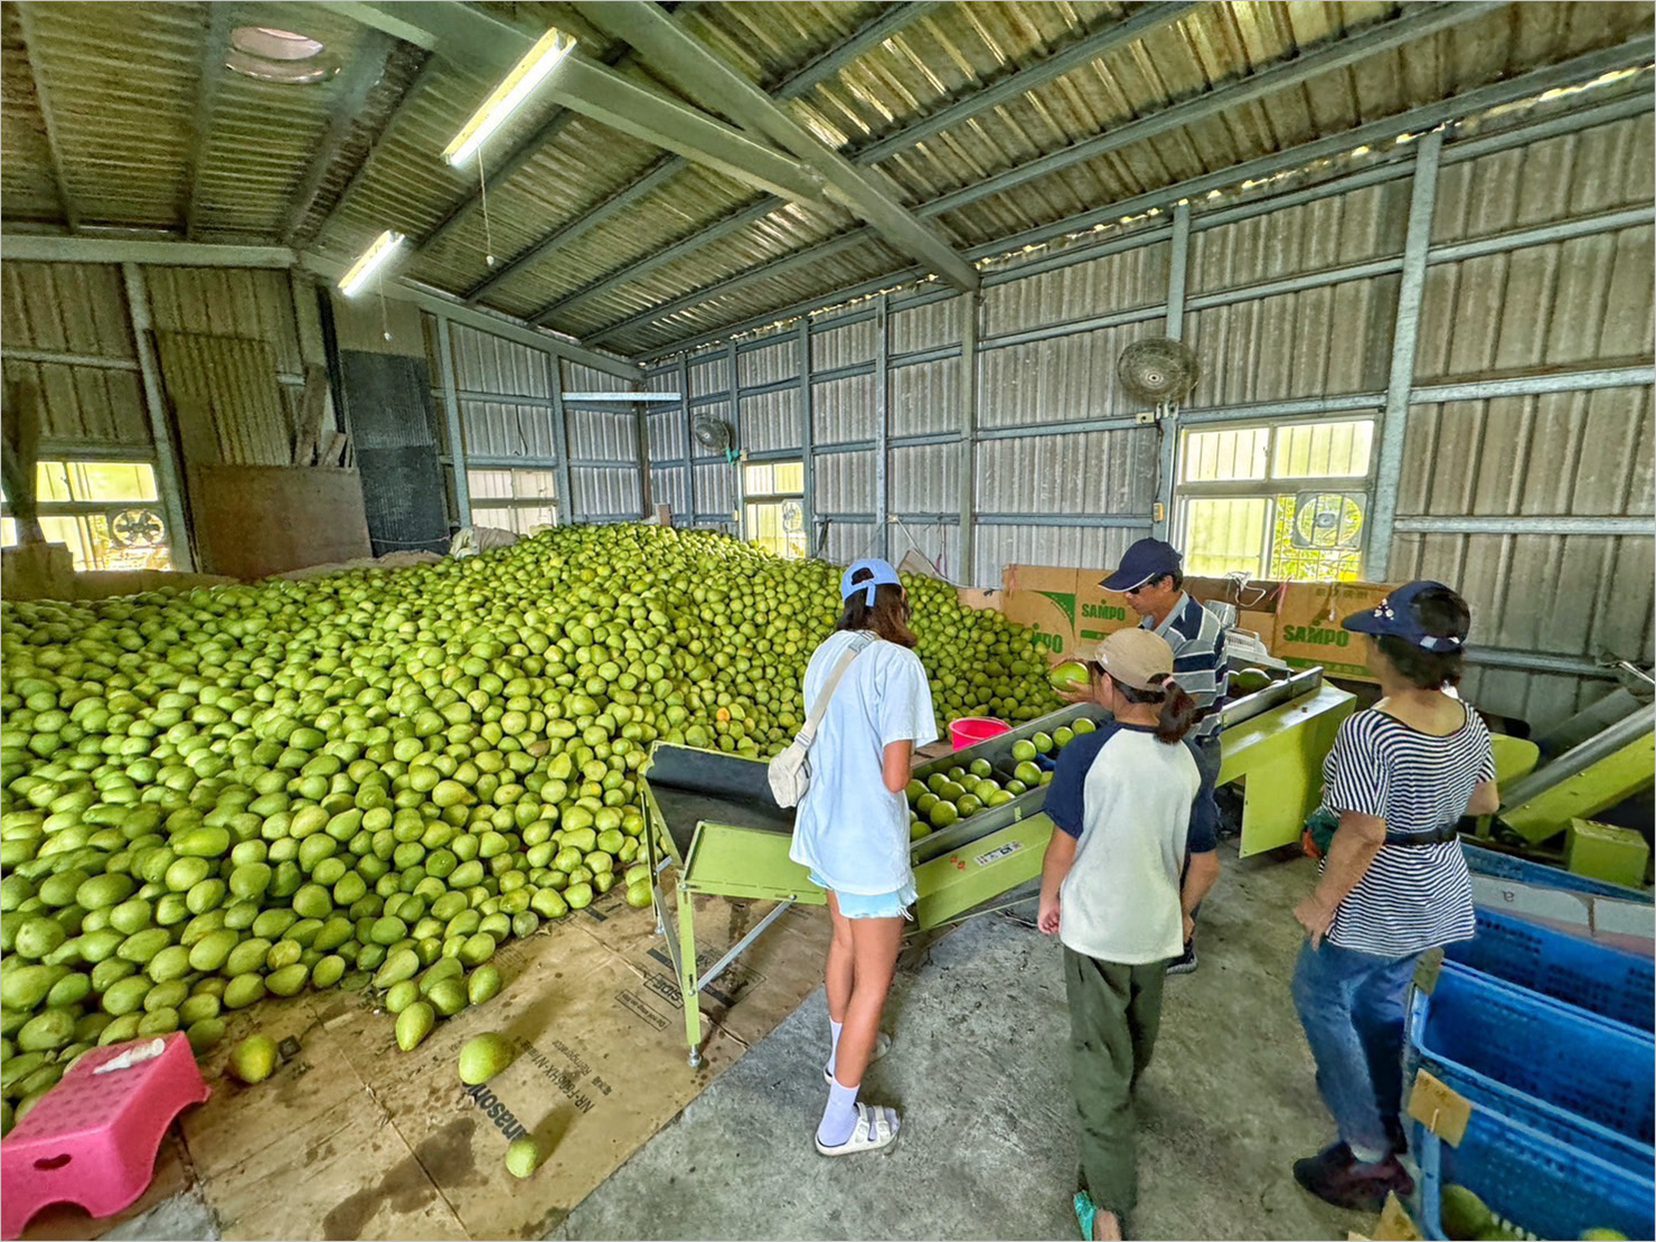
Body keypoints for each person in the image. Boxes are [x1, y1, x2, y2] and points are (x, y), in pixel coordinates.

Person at [1289, 581, 1499, 1211]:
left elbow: (1363, 834)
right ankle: (1388, 1123)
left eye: (1372, 638)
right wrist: (1435, 793)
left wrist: (1322, 905)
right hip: (1435, 886)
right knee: (1382, 1003)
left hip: (1378, 898)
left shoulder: (1370, 730)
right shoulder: (1469, 719)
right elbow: (1485, 800)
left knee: (1320, 996)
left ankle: (1366, 1152)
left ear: (1390, 652)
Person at [1037, 628, 1222, 1241]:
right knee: (1138, 1034)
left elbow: (1062, 851)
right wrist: (1186, 912)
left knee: (1099, 1063)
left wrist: (1048, 901)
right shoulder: (1188, 759)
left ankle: (1108, 1206)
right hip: (1155, 930)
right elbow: (1206, 863)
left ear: (1108, 687)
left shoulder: (1087, 754)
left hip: (1097, 931)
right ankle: (1123, 1098)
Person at [789, 557, 938, 1156]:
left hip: (825, 833)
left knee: (844, 943)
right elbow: (896, 776)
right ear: (894, 603)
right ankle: (837, 1125)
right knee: (875, 985)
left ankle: (839, 1051)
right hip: (866, 845)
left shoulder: (827, 652)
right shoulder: (897, 662)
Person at [1098, 538, 1228, 974]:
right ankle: (1154, 924)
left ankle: (1181, 941)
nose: (1128, 600)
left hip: (1188, 751)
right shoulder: (1157, 622)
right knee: (1159, 846)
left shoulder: (1191, 634)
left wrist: (1112, 702)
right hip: (1164, 745)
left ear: (1167, 583)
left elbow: (1181, 711)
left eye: (1135, 591)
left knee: (1188, 848)